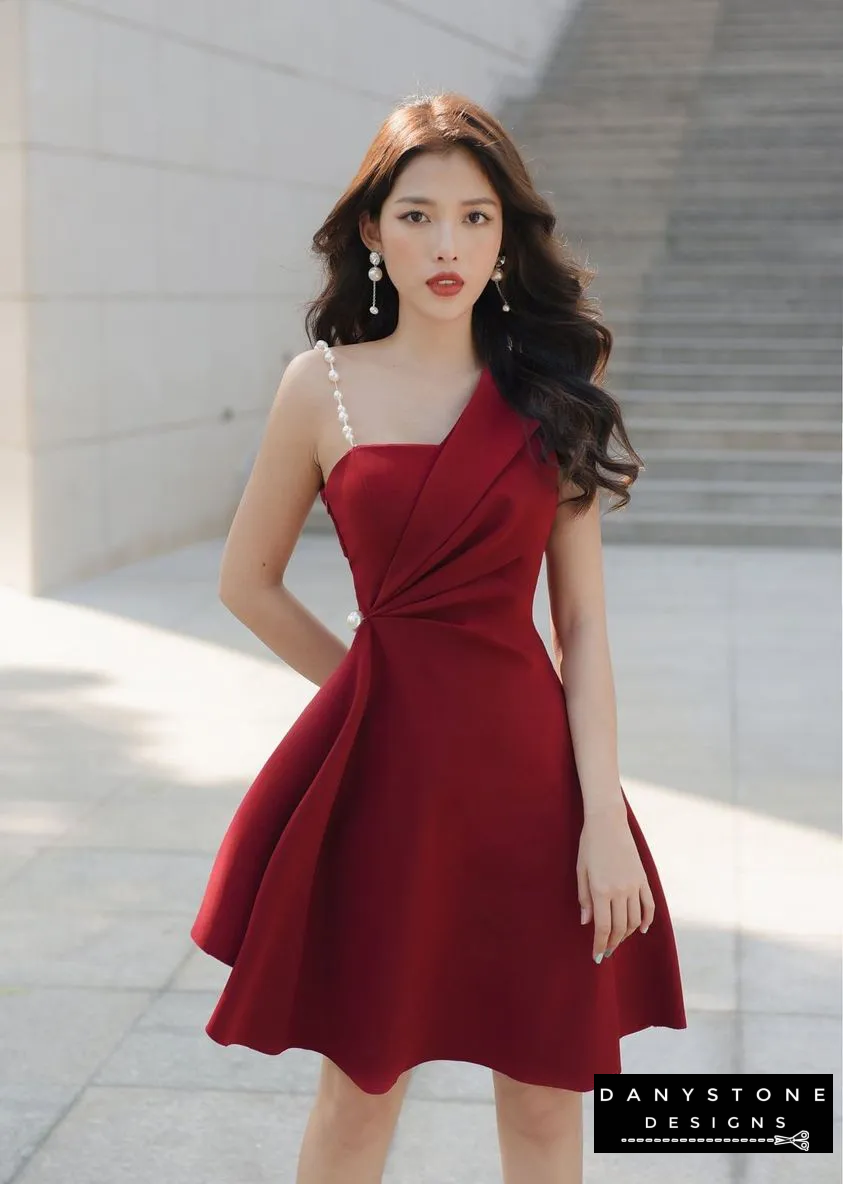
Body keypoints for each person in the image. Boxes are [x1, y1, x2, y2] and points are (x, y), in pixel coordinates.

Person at [190, 91, 687, 1184]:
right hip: (386, 790)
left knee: (550, 1101)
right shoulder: (317, 386)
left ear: (508, 235)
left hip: (532, 783)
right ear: (373, 229)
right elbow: (248, 581)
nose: (447, 243)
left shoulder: (552, 392)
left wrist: (603, 816)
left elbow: (585, 623)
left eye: (474, 216)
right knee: (360, 1098)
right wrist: (369, 693)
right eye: (417, 215)